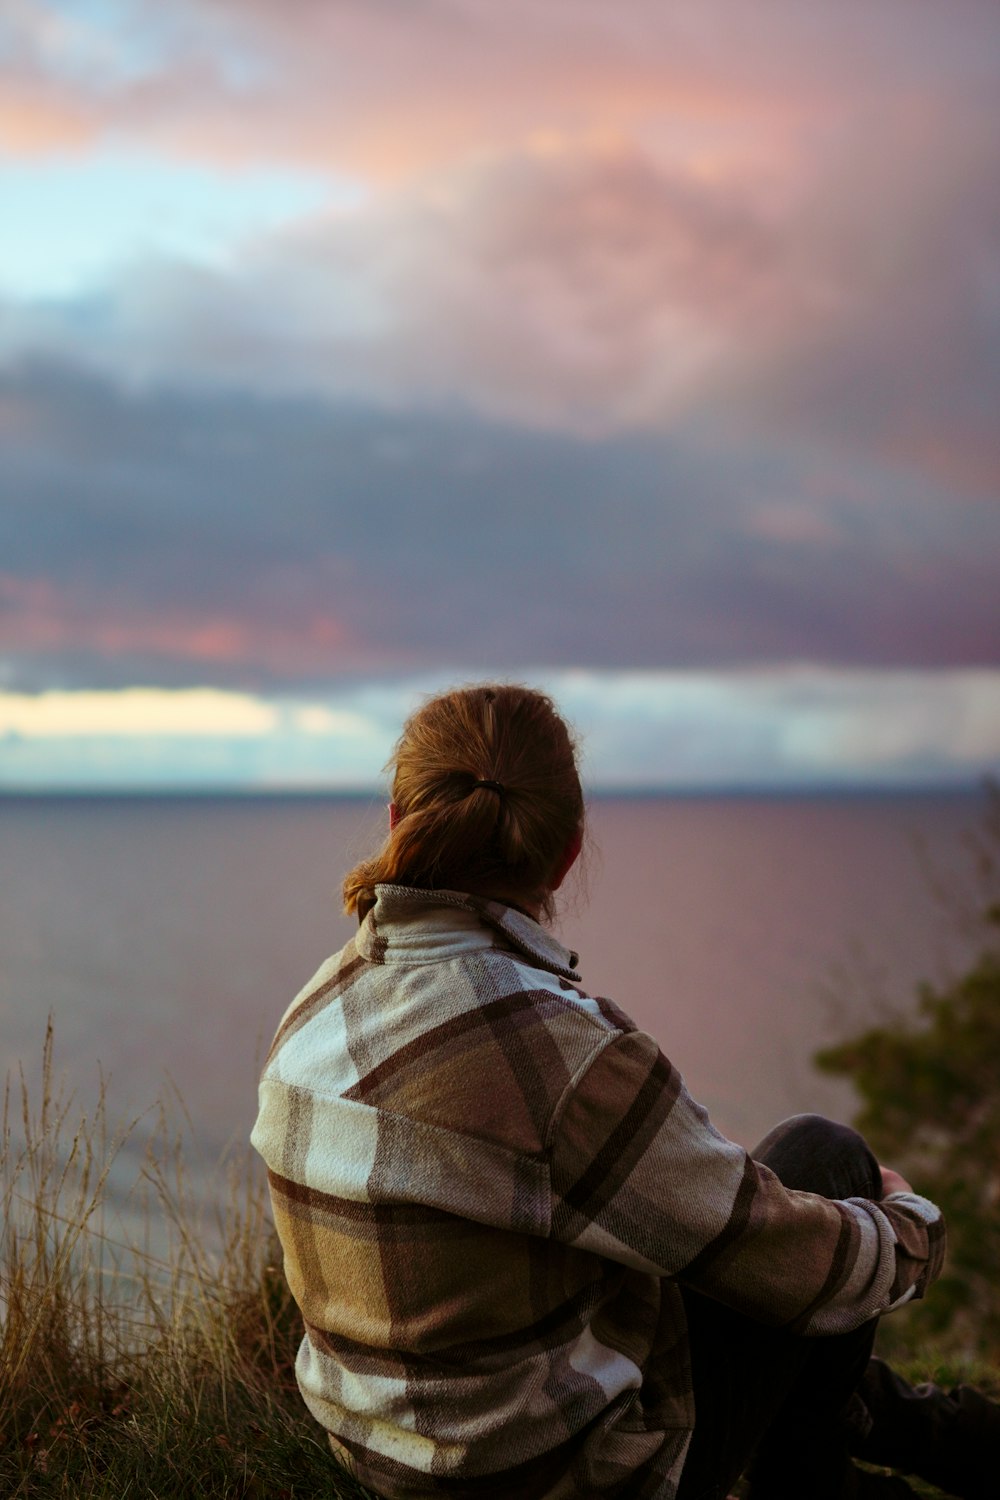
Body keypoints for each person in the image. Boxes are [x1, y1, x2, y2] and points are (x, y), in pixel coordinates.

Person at [251, 683, 985, 1499]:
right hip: (566, 1481)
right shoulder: (561, 1055)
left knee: (677, 1234)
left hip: (389, 1471)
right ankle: (831, 1472)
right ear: (566, 852)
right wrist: (910, 1224)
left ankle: (909, 1439)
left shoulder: (311, 1013)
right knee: (824, 1156)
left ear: (398, 823)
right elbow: (787, 1259)